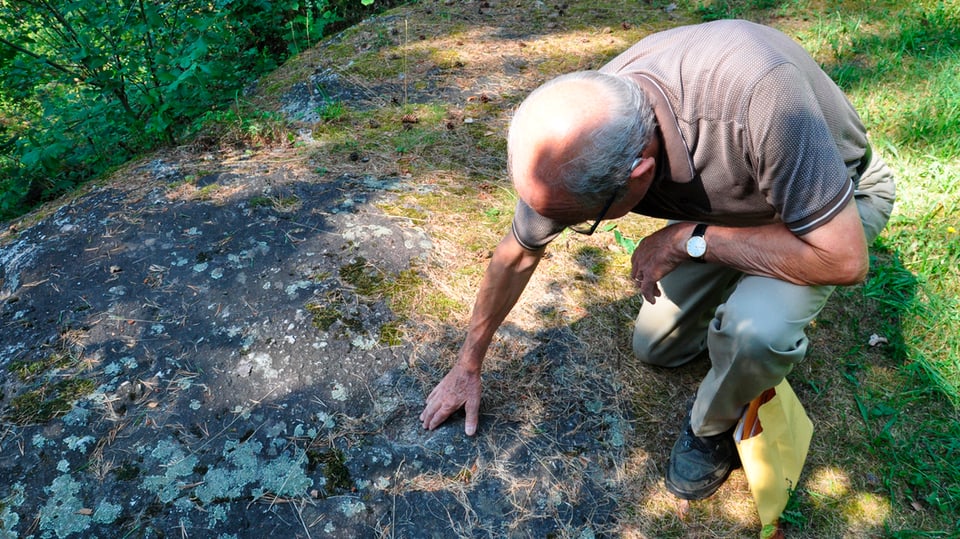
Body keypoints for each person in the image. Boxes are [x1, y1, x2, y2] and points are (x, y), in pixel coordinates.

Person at [419, 19, 896, 500]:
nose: (575, 226)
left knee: (756, 334)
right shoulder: (586, 127)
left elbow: (843, 260)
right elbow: (517, 255)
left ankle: (711, 430)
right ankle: (736, 273)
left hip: (826, 215)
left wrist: (686, 240)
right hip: (738, 210)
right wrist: (468, 364)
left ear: (639, 172)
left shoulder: (763, 98)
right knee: (657, 347)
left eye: (587, 221)